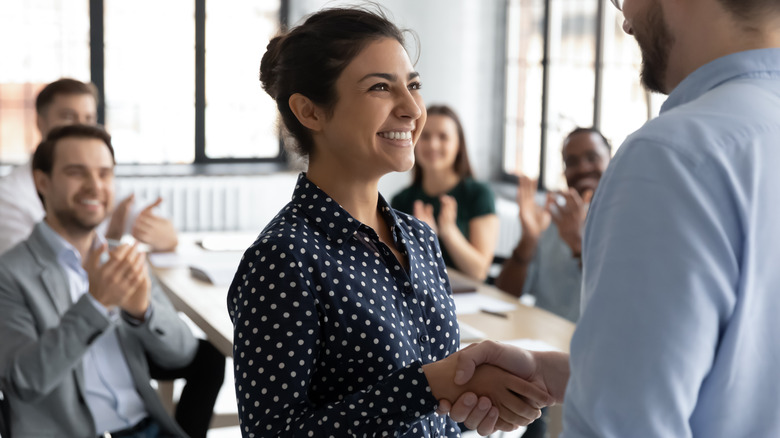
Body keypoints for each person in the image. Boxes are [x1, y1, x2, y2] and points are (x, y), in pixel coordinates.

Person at [442, 0, 780, 436]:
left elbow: (620, 427)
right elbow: (740, 381)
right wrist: (569, 374)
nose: (624, 20)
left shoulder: (671, 156)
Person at [227, 7, 553, 437]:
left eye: (413, 85)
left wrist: (471, 397)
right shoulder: (284, 258)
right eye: (381, 87)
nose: (412, 109)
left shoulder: (419, 237)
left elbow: (437, 407)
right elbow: (274, 433)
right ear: (310, 112)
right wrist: (428, 384)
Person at [0, 78, 224, 438]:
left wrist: (142, 314)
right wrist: (96, 304)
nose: (94, 186)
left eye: (104, 174)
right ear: (42, 182)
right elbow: (23, 384)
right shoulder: (10, 274)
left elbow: (182, 356)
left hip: (149, 428)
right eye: (76, 173)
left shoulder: (121, 257)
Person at [495, 128, 610, 323]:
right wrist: (528, 240)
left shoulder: (626, 221)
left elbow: (618, 301)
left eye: (592, 157)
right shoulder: (551, 217)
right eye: (571, 162)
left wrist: (578, 245)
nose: (582, 168)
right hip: (544, 339)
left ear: (611, 161)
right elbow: (505, 293)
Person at [391, 105, 498, 281]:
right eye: (425, 136)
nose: (433, 145)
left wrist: (448, 231)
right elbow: (400, 269)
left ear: (458, 145)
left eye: (443, 137)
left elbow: (479, 272)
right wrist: (425, 240)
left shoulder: (479, 194)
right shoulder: (401, 200)